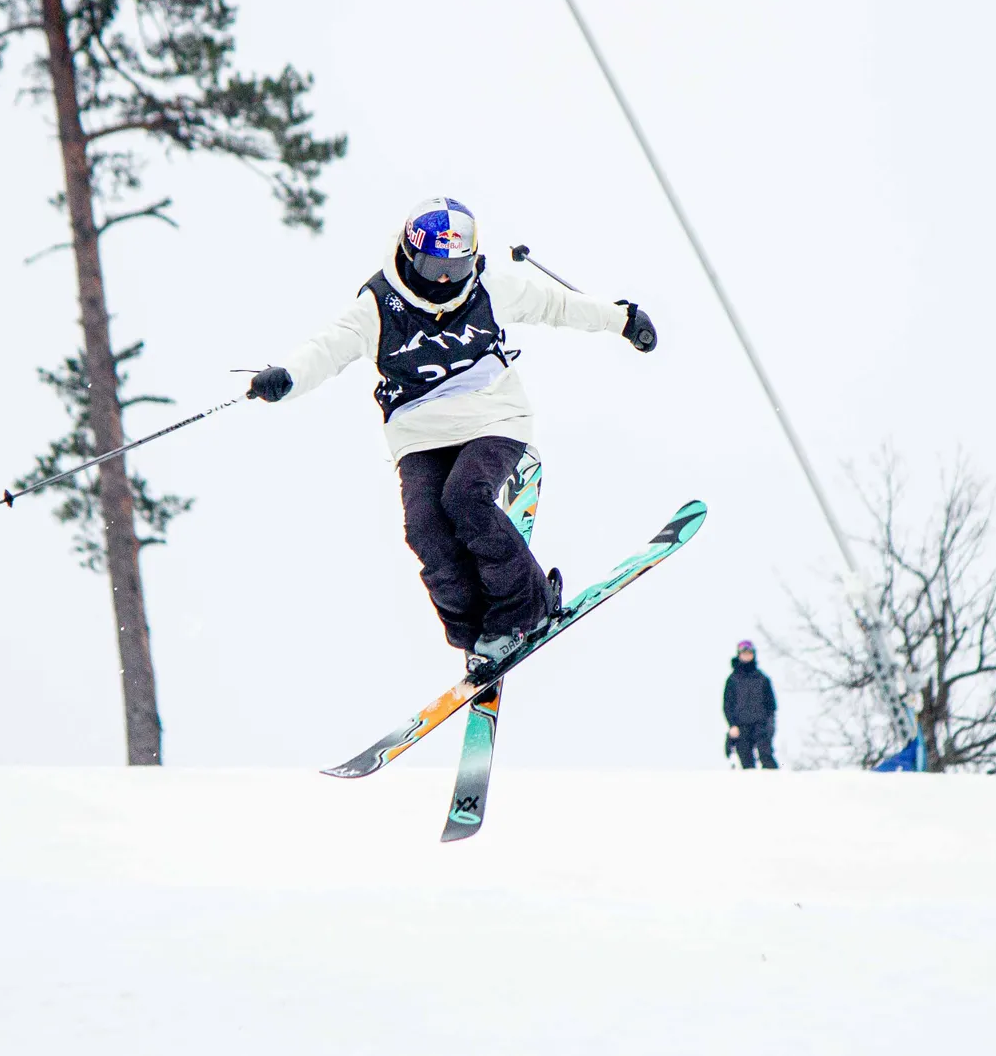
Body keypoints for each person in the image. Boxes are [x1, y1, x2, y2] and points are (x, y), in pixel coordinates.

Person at [246, 197, 657, 671]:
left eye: (454, 267)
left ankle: (528, 608)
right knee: (424, 529)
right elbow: (326, 349)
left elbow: (557, 305)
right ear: (407, 255)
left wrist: (622, 318)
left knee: (465, 498)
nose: (443, 280)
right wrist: (288, 377)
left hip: (492, 414)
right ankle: (479, 634)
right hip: (418, 429)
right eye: (431, 265)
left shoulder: (489, 290)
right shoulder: (378, 306)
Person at [722, 639, 778, 769]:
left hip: (761, 725)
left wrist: (769, 724)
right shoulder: (732, 680)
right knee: (746, 763)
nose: (746, 655)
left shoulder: (762, 679)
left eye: (749, 653)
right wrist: (732, 725)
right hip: (741, 727)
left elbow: (771, 705)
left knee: (766, 756)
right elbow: (727, 705)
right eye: (743, 653)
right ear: (739, 655)